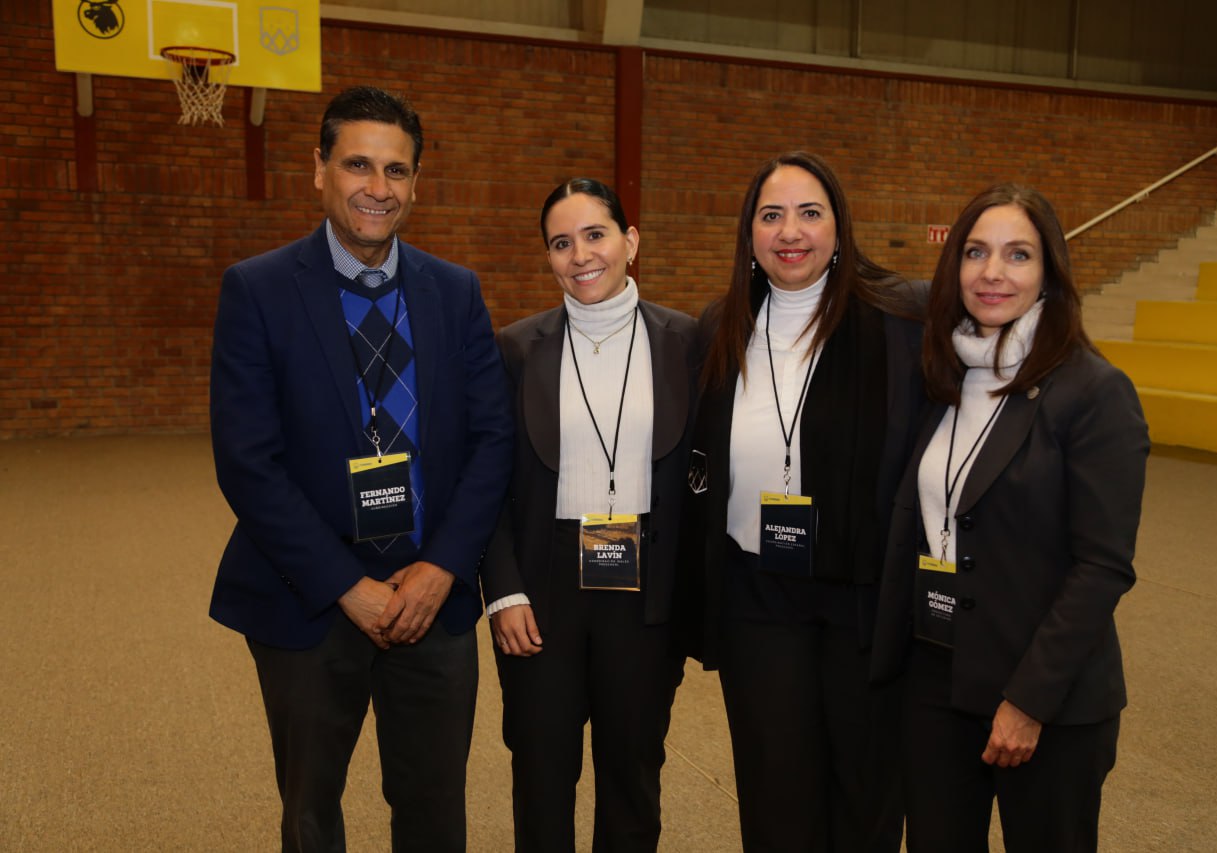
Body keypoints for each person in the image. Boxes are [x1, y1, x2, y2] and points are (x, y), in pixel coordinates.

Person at [208, 86, 514, 852]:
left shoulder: (455, 291)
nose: (378, 187)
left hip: (431, 599)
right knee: (310, 812)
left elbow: (493, 439)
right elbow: (248, 462)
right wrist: (346, 585)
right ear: (319, 169)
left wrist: (443, 567)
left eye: (396, 170)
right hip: (308, 599)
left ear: (416, 182)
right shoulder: (258, 289)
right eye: (357, 165)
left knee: (435, 808)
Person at [871, 184, 1149, 852]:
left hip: (1047, 699)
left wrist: (1027, 702)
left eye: (1018, 254)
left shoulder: (1093, 391)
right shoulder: (944, 375)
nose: (992, 272)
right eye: (976, 253)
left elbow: (1101, 567)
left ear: (1050, 271)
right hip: (938, 680)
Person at [681, 151, 927, 852]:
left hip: (863, 597)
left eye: (809, 213)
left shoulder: (899, 317)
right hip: (758, 597)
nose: (790, 231)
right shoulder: (720, 325)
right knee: (775, 788)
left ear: (840, 227)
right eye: (771, 215)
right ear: (749, 234)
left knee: (865, 789)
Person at [479, 178, 698, 852]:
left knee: (633, 767)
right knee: (541, 768)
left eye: (595, 235)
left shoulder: (687, 343)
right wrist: (503, 590)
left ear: (630, 241)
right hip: (541, 586)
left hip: (645, 585)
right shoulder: (516, 349)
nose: (580, 255)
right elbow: (485, 482)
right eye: (560, 243)